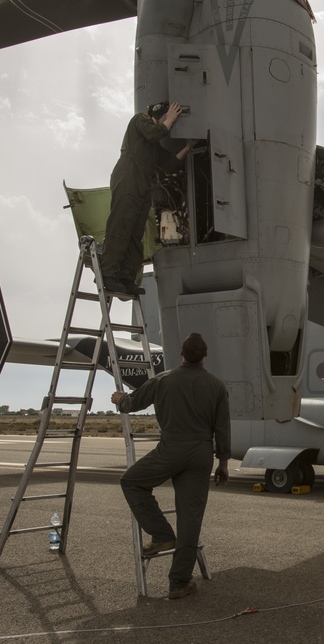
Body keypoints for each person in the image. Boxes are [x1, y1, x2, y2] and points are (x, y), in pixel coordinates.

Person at [113, 332, 230, 599]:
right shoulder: (217, 386)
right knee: (191, 519)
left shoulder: (163, 379)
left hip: (170, 449)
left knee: (131, 481)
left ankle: (162, 533)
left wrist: (119, 398)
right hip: (201, 454)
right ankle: (179, 583)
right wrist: (223, 464)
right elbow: (223, 428)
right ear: (205, 356)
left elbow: (131, 404)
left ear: (182, 353)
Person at [100, 101, 198, 296]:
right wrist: (170, 119)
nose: (170, 124)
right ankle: (108, 274)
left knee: (135, 233)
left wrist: (188, 147)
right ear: (159, 115)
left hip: (143, 186)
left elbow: (169, 164)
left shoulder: (154, 148)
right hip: (128, 177)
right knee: (121, 225)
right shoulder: (141, 121)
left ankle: (126, 277)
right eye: (168, 118)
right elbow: (154, 133)